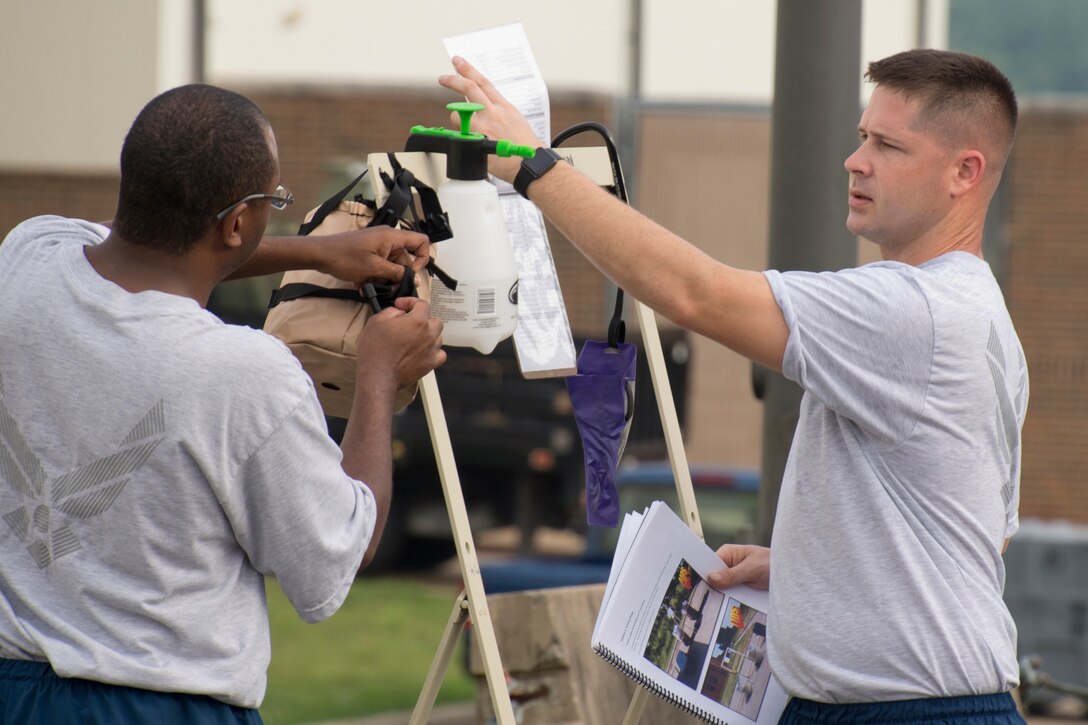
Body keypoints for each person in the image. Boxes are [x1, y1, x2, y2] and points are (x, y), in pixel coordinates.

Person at [440, 48, 1028, 724]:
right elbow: (977, 534)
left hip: (906, 713)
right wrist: (809, 565)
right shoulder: (984, 319)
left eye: (888, 144)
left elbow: (697, 295)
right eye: (863, 136)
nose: (855, 160)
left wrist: (531, 165)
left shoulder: (913, 310)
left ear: (965, 172)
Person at [0, 84, 445, 723]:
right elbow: (340, 552)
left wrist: (316, 251)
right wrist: (379, 376)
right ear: (237, 223)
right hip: (161, 705)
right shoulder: (241, 373)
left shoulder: (27, 258)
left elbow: (150, 248)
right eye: (273, 202)